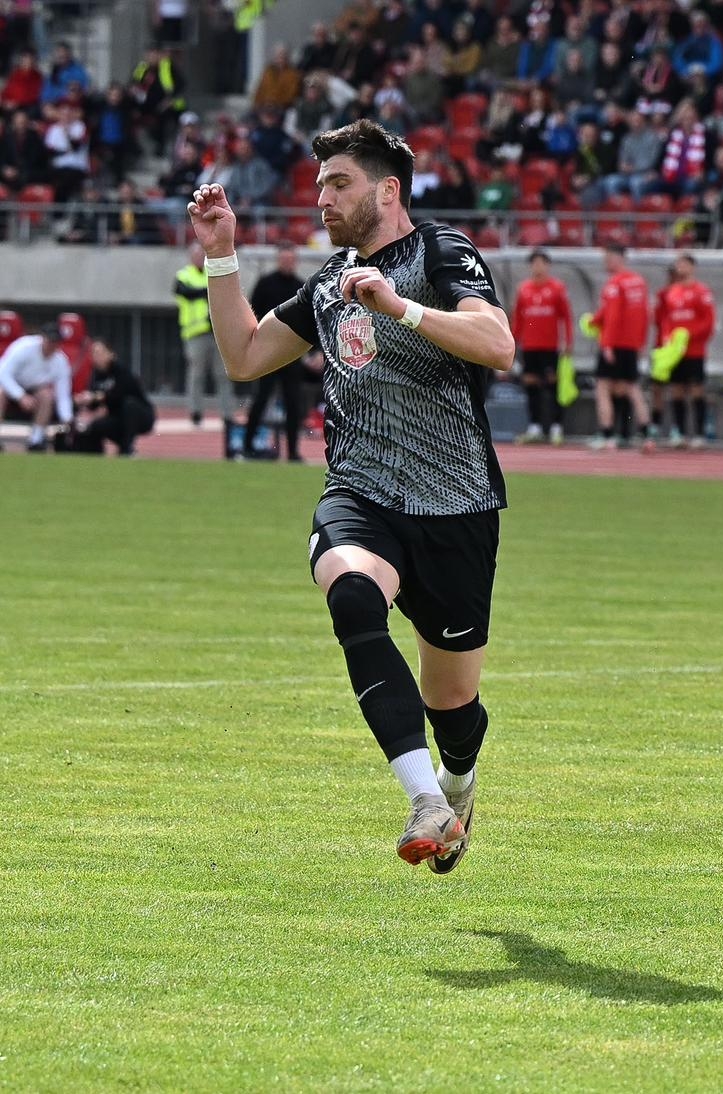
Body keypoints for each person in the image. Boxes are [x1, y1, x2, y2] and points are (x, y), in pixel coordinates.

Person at [186, 118, 516, 871]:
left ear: (388, 190)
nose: (323, 198)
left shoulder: (442, 251)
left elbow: (498, 345)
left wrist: (400, 307)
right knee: (353, 597)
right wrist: (221, 255)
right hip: (361, 494)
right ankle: (424, 799)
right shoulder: (330, 281)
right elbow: (245, 357)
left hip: (456, 505)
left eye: (339, 183)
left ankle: (456, 783)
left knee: (453, 706)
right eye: (320, 185)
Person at [243, 241, 309, 461]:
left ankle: (292, 452)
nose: (287, 263)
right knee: (261, 400)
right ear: (278, 260)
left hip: (292, 355)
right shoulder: (265, 283)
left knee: (293, 403)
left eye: (291, 259)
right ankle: (247, 446)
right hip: (268, 354)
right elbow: (252, 313)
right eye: (284, 259)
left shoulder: (302, 287)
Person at [587, 241, 651, 450]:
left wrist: (606, 344)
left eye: (609, 258)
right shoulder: (638, 282)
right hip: (631, 344)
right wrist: (641, 342)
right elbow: (644, 314)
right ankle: (646, 432)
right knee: (632, 388)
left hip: (614, 343)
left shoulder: (615, 283)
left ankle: (607, 435)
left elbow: (612, 316)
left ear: (620, 258)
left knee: (603, 388)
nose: (606, 262)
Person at [512, 249, 574, 446]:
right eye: (534, 263)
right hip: (530, 346)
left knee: (552, 386)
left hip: (550, 346)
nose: (538, 267)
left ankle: (556, 427)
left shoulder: (557, 288)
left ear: (548, 266)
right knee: (531, 385)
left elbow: (566, 317)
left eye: (541, 263)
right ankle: (535, 426)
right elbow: (518, 319)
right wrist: (513, 343)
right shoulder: (523, 289)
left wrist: (568, 342)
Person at [655, 251, 716, 449]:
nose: (680, 268)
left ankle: (699, 433)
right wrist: (667, 337)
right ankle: (679, 432)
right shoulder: (672, 292)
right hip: (676, 352)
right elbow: (666, 319)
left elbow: (708, 322)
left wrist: (689, 334)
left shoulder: (701, 291)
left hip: (695, 350)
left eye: (683, 264)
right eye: (678, 264)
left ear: (692, 267)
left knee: (697, 389)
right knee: (677, 390)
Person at [71, 338, 155, 456]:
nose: (96, 356)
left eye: (100, 352)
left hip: (140, 416)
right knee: (94, 427)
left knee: (129, 405)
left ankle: (127, 449)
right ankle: (94, 455)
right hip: (116, 418)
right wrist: (83, 400)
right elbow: (93, 404)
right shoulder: (95, 375)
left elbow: (119, 395)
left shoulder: (121, 371)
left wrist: (96, 397)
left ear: (111, 354)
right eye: (94, 353)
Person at [0, 326, 72, 452]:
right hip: (11, 385)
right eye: (50, 341)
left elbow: (63, 394)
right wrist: (20, 396)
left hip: (35, 390)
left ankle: (36, 440)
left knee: (47, 396)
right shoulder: (24, 347)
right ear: (43, 338)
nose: (51, 345)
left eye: (55, 342)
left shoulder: (61, 361)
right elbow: (3, 374)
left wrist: (67, 418)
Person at [174, 241, 221, 427]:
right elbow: (184, 292)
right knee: (196, 375)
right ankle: (195, 412)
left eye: (202, 255)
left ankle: (226, 414)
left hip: (216, 332)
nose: (200, 258)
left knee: (222, 374)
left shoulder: (211, 272)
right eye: (197, 255)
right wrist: (206, 291)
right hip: (195, 333)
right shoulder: (183, 275)